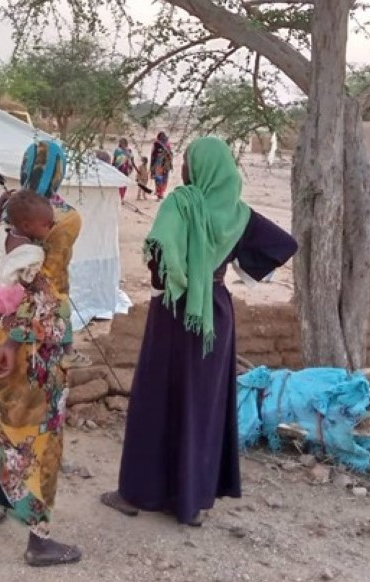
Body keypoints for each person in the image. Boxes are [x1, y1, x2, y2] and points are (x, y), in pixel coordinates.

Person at [100, 136, 297, 526]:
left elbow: (159, 271)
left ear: (201, 168)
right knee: (201, 405)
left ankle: (136, 493)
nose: (183, 168)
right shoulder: (239, 215)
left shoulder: (179, 205)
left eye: (188, 161)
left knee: (157, 400)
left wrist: (189, 269)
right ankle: (191, 503)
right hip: (214, 316)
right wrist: (225, 268)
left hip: (175, 314)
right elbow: (283, 245)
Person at [0, 140, 83, 567]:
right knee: (39, 436)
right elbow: (43, 288)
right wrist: (18, 339)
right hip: (32, 343)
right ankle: (38, 539)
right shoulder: (64, 219)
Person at [0, 190, 55, 316]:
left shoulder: (1, 232)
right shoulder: (35, 253)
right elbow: (26, 280)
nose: (50, 227)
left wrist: (1, 200)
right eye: (46, 225)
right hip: (5, 300)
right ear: (26, 226)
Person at [150, 132, 174, 200]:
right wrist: (152, 165)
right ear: (159, 137)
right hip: (158, 164)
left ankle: (161, 193)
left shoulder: (168, 144)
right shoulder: (156, 143)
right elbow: (153, 154)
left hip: (166, 164)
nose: (163, 137)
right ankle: (159, 194)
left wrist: (170, 163)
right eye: (161, 136)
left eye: (164, 136)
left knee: (164, 179)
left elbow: (171, 154)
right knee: (158, 179)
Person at [113, 137, 133, 202]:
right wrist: (112, 167)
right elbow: (114, 159)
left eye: (123, 143)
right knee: (118, 182)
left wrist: (131, 168)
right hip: (118, 168)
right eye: (121, 143)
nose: (122, 144)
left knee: (124, 182)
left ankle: (122, 197)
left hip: (125, 169)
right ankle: (118, 197)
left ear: (126, 143)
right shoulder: (117, 150)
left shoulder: (129, 150)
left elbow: (131, 160)